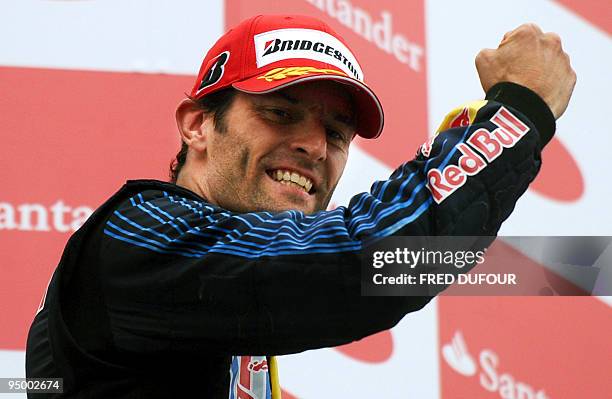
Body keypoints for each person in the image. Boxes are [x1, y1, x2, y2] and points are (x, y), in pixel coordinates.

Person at [25, 14, 575, 399]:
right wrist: (517, 110)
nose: (315, 146)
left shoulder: (225, 293)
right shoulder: (143, 233)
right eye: (282, 115)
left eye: (336, 133)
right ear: (197, 125)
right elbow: (376, 261)